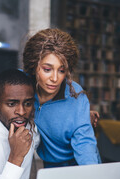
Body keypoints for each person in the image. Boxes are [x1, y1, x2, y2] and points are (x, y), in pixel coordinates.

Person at [23, 28, 100, 168]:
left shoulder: (76, 96)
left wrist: (92, 174)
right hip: (50, 163)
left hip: (79, 162)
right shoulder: (19, 85)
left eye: (62, 70)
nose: (55, 78)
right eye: (47, 69)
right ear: (34, 65)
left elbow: (85, 143)